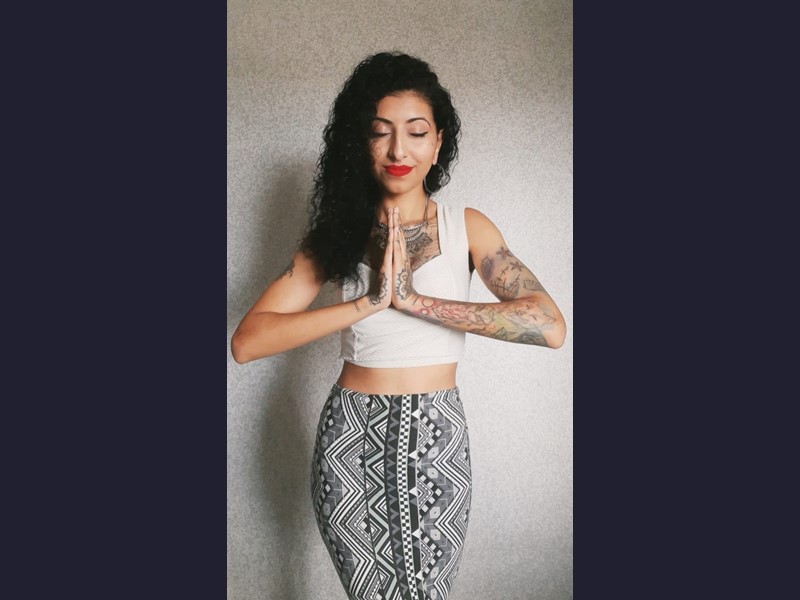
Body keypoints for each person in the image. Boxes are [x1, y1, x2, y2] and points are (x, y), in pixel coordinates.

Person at [231, 51, 566, 600]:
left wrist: (415, 302)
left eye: (415, 132)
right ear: (359, 143)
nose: (397, 150)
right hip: (349, 440)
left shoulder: (468, 228)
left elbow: (550, 326)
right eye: (380, 132)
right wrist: (370, 302)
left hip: (436, 438)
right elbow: (247, 342)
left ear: (438, 143)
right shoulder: (336, 237)